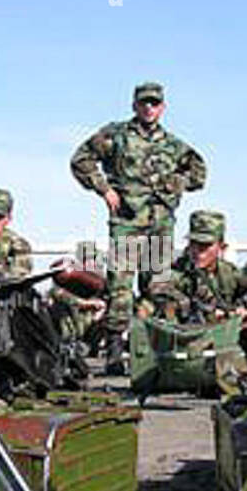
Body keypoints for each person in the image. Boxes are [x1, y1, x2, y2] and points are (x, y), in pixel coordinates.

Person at [70, 81, 207, 372]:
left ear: (163, 107)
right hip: (128, 222)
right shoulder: (116, 135)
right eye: (144, 103)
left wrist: (176, 184)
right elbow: (80, 160)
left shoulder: (173, 145)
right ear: (134, 105)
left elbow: (200, 172)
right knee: (120, 286)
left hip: (160, 224)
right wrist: (104, 189)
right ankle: (115, 352)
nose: (149, 108)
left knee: (157, 287)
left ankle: (150, 353)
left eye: (154, 103)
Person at [142, 210, 247, 326]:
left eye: (205, 246)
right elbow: (157, 288)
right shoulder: (177, 271)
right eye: (193, 244)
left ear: (221, 247)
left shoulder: (228, 272)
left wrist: (246, 311)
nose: (198, 252)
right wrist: (208, 312)